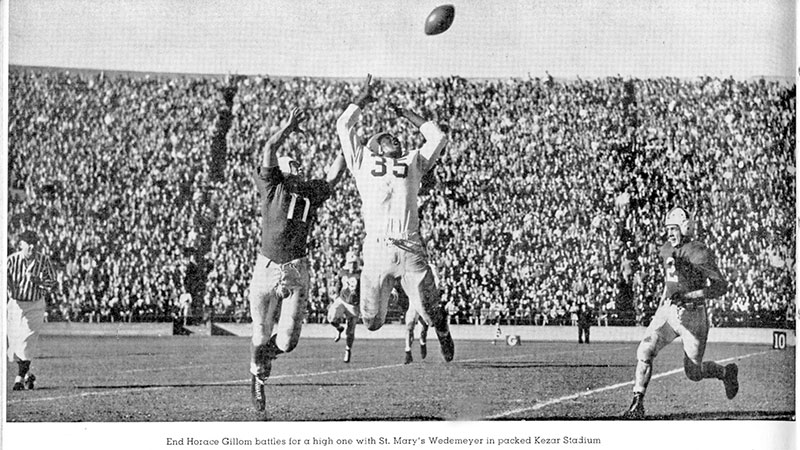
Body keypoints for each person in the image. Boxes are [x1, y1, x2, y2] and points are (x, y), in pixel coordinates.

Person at [336, 74, 454, 362]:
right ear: (375, 147)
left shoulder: (413, 160)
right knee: (371, 321)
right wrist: (362, 99)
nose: (395, 137)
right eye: (387, 137)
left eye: (396, 135)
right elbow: (343, 125)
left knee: (429, 313)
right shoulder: (362, 159)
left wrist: (407, 114)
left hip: (410, 246)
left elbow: (437, 137)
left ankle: (442, 330)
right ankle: (393, 293)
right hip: (376, 249)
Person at [248, 106, 345, 412]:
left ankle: (265, 358)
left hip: (297, 269)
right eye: (290, 160)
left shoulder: (308, 190)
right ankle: (258, 377)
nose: (297, 162)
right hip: (267, 267)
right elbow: (270, 147)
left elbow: (333, 176)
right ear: (279, 167)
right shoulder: (272, 184)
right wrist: (288, 126)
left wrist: (347, 146)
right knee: (260, 333)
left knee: (287, 342)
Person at [623, 207, 738, 419]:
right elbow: (670, 282)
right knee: (645, 351)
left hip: (693, 316)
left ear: (685, 228)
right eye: (668, 229)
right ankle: (637, 402)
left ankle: (725, 373)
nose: (670, 233)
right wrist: (661, 307)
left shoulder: (698, 251)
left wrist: (689, 296)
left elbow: (720, 286)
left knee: (694, 373)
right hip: (669, 312)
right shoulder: (667, 248)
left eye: (674, 229)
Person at [7, 230, 56, 391]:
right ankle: (28, 375)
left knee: (26, 341)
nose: (32, 246)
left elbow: (53, 282)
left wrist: (39, 281)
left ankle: (19, 379)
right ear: (21, 244)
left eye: (35, 243)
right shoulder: (12, 260)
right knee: (13, 347)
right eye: (29, 243)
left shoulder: (43, 260)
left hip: (34, 304)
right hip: (15, 304)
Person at [327, 250, 361, 363]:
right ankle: (339, 328)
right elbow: (338, 285)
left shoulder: (361, 274)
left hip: (354, 305)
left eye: (354, 263)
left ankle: (348, 350)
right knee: (331, 318)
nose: (353, 265)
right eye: (351, 263)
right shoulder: (342, 272)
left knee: (350, 332)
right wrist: (336, 296)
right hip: (342, 300)